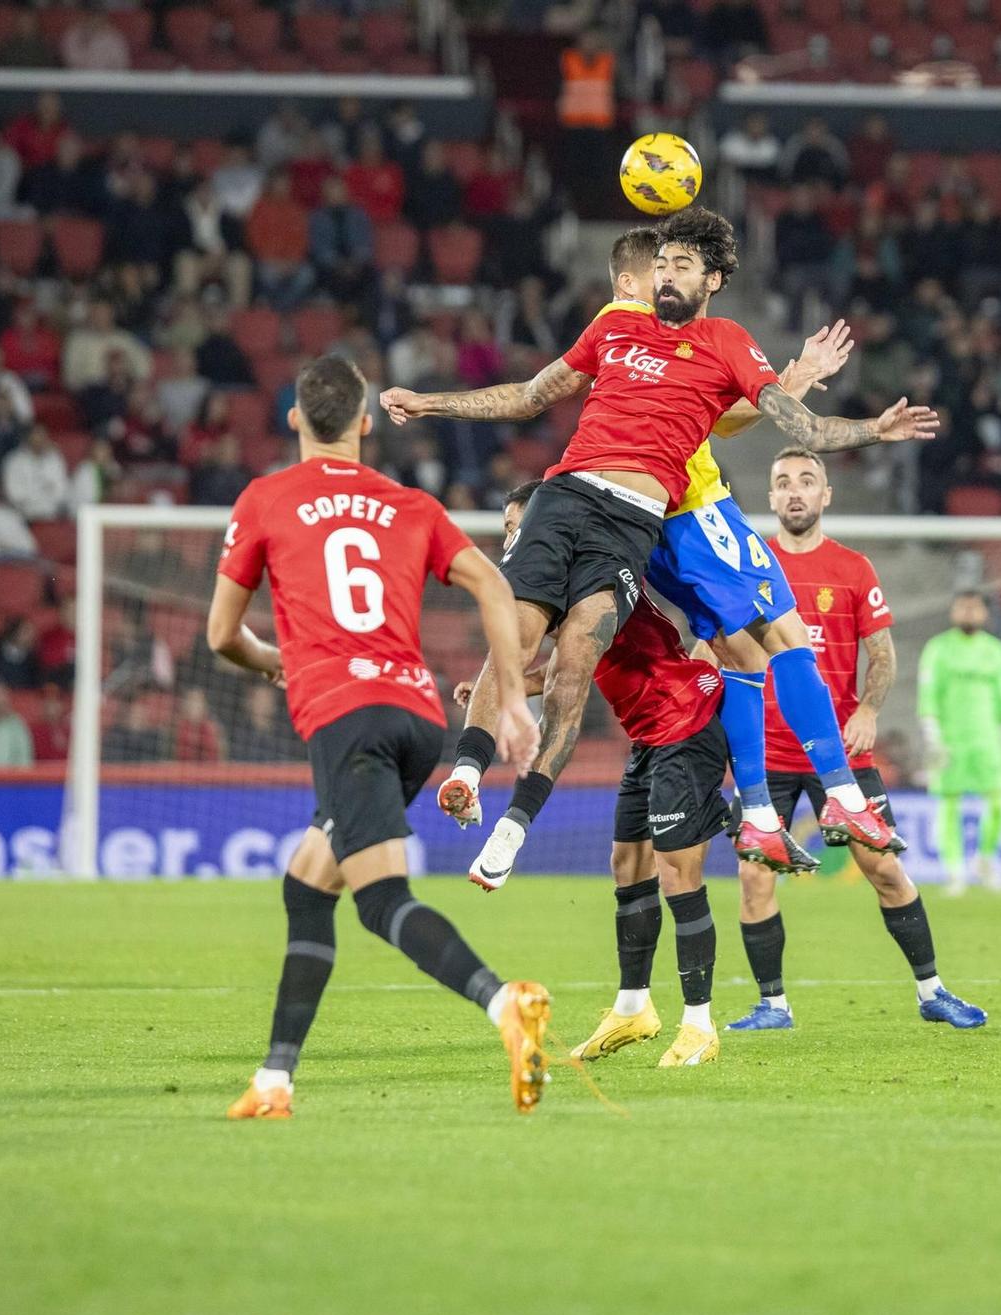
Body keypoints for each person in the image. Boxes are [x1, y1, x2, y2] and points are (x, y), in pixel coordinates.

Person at [381, 207, 937, 883]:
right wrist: (430, 403)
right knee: (767, 637)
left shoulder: (723, 342)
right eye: (662, 264)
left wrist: (863, 424)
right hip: (613, 506)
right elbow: (533, 393)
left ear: (715, 279)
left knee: (635, 659)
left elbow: (783, 425)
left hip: (639, 525)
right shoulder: (615, 324)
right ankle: (830, 801)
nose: (667, 275)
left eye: (682, 265)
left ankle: (737, 813)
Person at [205, 354, 550, 1120]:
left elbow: (222, 634)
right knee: (307, 884)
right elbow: (494, 583)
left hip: (346, 717)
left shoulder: (266, 499)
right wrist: (516, 704)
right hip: (419, 718)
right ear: (365, 424)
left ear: (295, 419)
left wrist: (274, 665)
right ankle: (274, 1079)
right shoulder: (411, 504)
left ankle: (504, 1004)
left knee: (382, 900)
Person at [453, 484, 737, 1068]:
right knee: (626, 866)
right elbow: (565, 667)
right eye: (507, 527)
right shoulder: (552, 577)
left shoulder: (593, 569)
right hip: (648, 731)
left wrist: (516, 684)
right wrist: (508, 686)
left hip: (683, 719)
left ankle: (700, 1024)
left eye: (519, 523)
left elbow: (569, 666)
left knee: (677, 872)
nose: (514, 537)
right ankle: (634, 1009)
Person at [727, 448, 986, 1032]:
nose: (795, 492)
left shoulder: (853, 568)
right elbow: (715, 646)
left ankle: (933, 991)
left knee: (885, 869)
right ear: (770, 498)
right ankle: (772, 1006)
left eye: (807, 481)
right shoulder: (747, 568)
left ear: (826, 496)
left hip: (840, 757)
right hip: (765, 755)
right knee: (753, 875)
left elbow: (884, 654)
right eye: (783, 482)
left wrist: (869, 708)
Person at [919, 590, 1001, 895]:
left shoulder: (996, 650)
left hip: (988, 741)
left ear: (984, 613)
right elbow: (929, 695)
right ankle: (954, 872)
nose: (968, 613)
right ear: (954, 612)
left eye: (974, 608)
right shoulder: (938, 649)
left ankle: (985, 859)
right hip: (951, 740)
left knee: (999, 804)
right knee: (948, 806)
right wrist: (931, 736)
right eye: (962, 607)